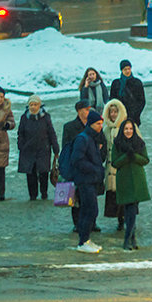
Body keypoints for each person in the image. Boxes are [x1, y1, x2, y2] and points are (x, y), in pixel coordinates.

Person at [110, 119, 149, 250]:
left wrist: (135, 157)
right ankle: (129, 239)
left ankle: (130, 239)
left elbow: (145, 160)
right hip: (124, 180)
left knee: (131, 210)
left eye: (131, 129)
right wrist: (127, 156)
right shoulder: (118, 143)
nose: (128, 131)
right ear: (122, 130)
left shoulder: (139, 143)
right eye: (126, 129)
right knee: (129, 209)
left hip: (138, 181)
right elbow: (114, 162)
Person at [71, 109, 106, 252]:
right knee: (90, 210)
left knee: (89, 210)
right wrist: (95, 169)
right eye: (98, 123)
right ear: (91, 124)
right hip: (85, 181)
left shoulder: (92, 137)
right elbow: (76, 160)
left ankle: (86, 240)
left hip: (91, 180)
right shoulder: (83, 138)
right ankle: (83, 242)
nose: (100, 126)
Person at [17, 94, 59, 201]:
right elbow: (20, 133)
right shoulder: (24, 118)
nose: (33, 107)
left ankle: (44, 193)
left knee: (43, 172)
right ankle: (33, 195)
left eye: (35, 104)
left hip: (43, 149)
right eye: (31, 104)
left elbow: (51, 133)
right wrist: (21, 145)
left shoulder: (45, 117)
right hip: (28, 150)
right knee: (30, 173)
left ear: (39, 105)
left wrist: (55, 148)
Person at [61, 99, 92, 231]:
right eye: (87, 109)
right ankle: (77, 223)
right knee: (76, 197)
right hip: (76, 167)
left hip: (91, 166)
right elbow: (66, 148)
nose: (89, 112)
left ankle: (92, 222)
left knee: (91, 197)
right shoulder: (69, 127)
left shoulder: (94, 125)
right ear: (79, 111)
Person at [102, 98, 131, 232]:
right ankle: (120, 219)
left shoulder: (127, 127)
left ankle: (128, 218)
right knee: (114, 195)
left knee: (126, 194)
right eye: (111, 112)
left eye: (115, 111)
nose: (113, 114)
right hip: (110, 168)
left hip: (124, 167)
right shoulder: (106, 130)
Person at [110, 59, 146, 125]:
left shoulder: (137, 82)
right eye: (125, 69)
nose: (127, 71)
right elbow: (112, 100)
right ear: (121, 70)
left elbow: (142, 101)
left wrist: (135, 114)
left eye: (129, 69)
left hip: (134, 117)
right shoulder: (116, 83)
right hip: (119, 116)